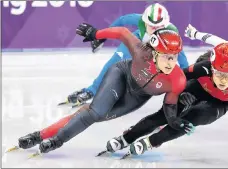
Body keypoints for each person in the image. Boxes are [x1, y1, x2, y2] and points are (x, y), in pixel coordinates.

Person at [10, 24, 192, 157]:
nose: (171, 63)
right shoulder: (140, 52)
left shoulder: (177, 80)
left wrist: (175, 121)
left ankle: (39, 135)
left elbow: (169, 106)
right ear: (155, 53)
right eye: (167, 57)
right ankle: (55, 141)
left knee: (88, 114)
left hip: (136, 98)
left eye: (174, 57)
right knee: (94, 113)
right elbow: (122, 32)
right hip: (121, 76)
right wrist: (96, 33)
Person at [101, 42, 228, 161]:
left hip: (219, 104)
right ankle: (126, 137)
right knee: (162, 116)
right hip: (197, 89)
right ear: (211, 67)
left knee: (192, 119)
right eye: (219, 73)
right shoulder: (201, 69)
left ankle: (152, 141)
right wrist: (181, 94)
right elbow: (175, 79)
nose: (223, 80)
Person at [61, 3, 189, 107]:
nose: (154, 29)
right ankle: (91, 90)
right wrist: (102, 37)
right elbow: (121, 21)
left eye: (158, 27)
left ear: (164, 24)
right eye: (150, 25)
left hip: (154, 52)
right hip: (136, 41)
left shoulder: (171, 33)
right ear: (144, 21)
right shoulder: (140, 20)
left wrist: (187, 83)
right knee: (114, 63)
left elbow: (181, 58)